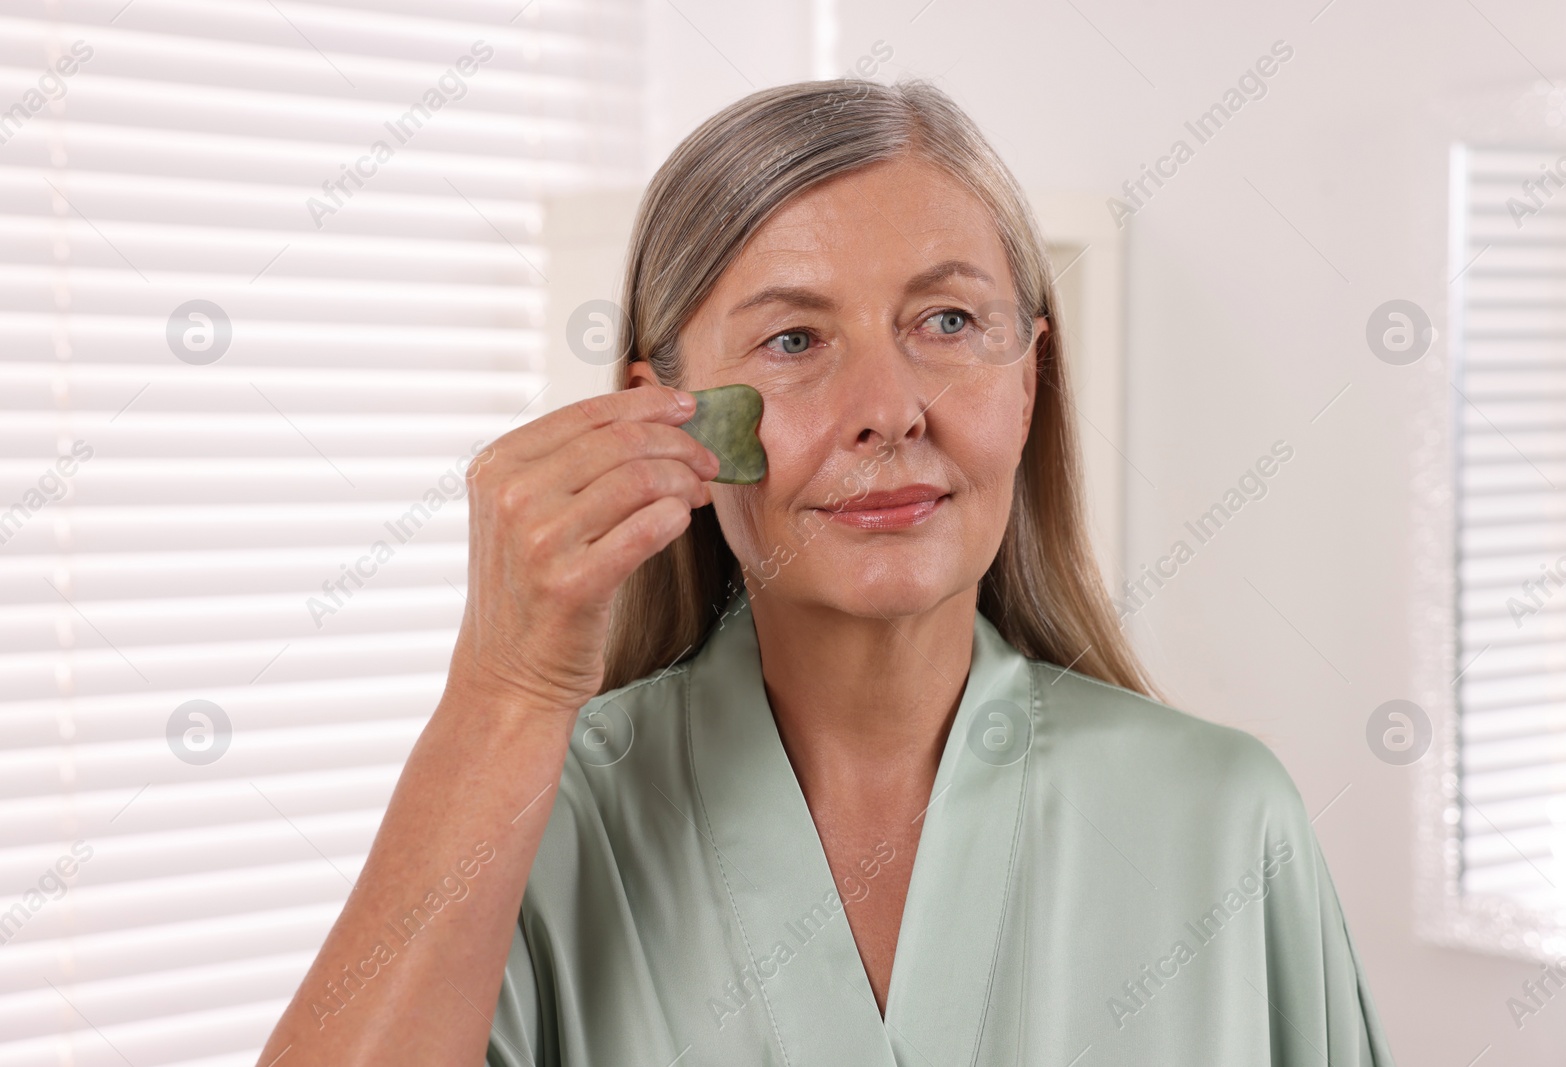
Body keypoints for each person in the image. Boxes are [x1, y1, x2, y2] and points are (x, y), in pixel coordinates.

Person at [258, 78, 1395, 1067]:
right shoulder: (547, 827)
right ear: (665, 409)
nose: (888, 411)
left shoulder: (1223, 821)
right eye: (794, 341)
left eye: (947, 320)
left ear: (1029, 380)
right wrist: (502, 690)